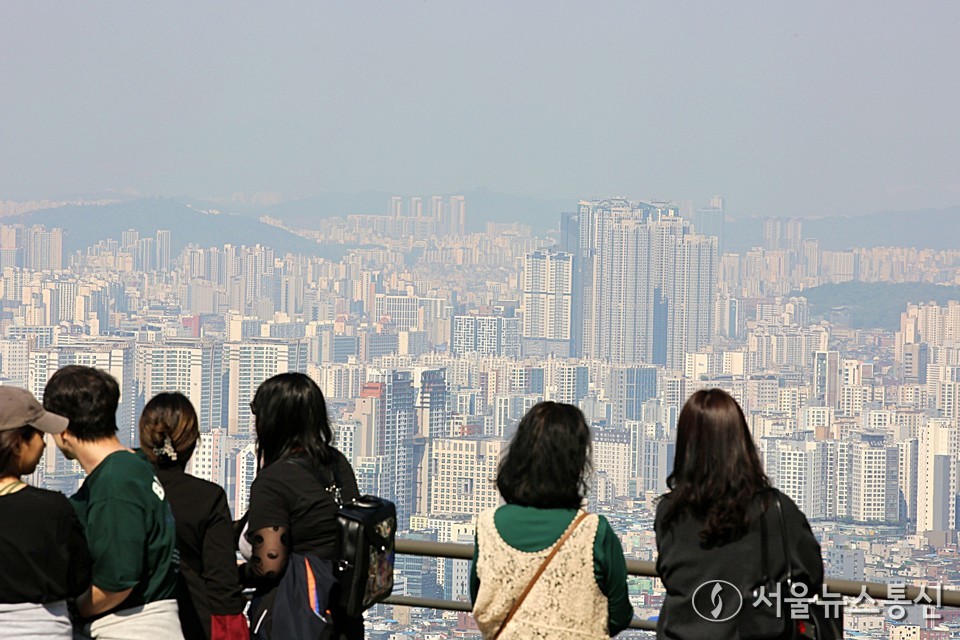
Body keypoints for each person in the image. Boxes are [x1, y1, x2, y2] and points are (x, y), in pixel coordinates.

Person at [654, 389, 825, 639]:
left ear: (685, 447)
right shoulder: (775, 510)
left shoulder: (670, 512)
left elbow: (670, 574)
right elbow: (811, 576)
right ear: (741, 442)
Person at [470, 401, 634, 638]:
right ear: (576, 463)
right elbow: (620, 614)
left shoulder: (488, 526)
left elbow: (481, 602)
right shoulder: (594, 532)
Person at [43, 365, 183, 639]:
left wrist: (73, 610)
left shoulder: (116, 484)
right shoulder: (133, 466)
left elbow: (117, 581)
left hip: (130, 629)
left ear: (63, 429)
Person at [240, 372, 363, 639]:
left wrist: (233, 575)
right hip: (343, 613)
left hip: (297, 617)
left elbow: (270, 564)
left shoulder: (273, 481)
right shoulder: (336, 463)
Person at [137, 393, 248, 640]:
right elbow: (222, 583)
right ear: (193, 442)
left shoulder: (124, 489)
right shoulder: (207, 498)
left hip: (131, 620)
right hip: (193, 622)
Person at [0, 386, 91, 639]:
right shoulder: (51, 510)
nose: (43, 444)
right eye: (39, 435)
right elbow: (80, 578)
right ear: (18, 443)